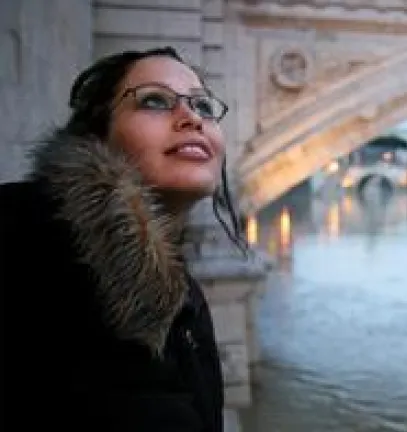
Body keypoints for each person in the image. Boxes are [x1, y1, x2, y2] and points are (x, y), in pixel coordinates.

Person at [0, 47, 247, 431]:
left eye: (203, 107)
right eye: (154, 100)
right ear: (98, 137)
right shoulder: (19, 236)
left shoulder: (185, 299)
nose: (191, 119)